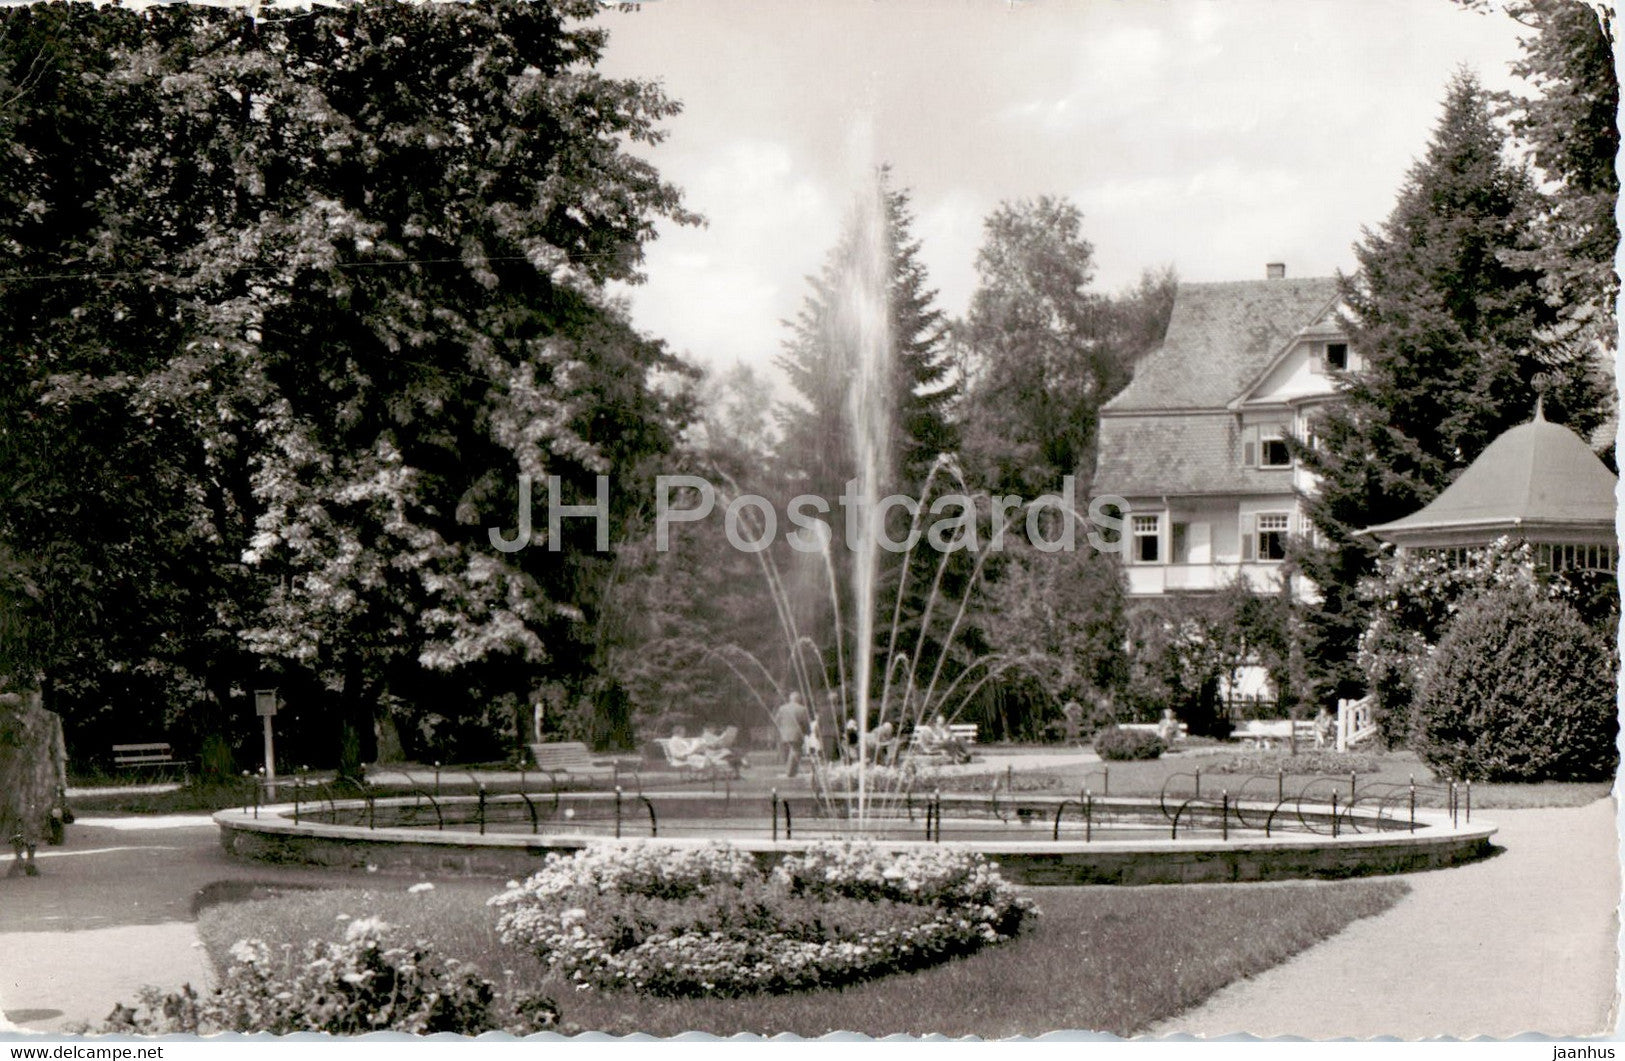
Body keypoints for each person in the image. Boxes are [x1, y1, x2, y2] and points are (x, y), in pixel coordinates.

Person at [0, 676, 68, 878]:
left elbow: (58, 750)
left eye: (33, 694)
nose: (29, 699)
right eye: (25, 695)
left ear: (40, 695)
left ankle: (31, 859)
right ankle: (18, 857)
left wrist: (62, 778)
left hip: (42, 776)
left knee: (36, 817)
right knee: (16, 815)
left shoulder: (51, 719)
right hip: (15, 774)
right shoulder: (10, 719)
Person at [772, 691, 811, 778]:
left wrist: (781, 729)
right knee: (796, 751)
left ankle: (790, 770)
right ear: (799, 699)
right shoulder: (802, 709)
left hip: (784, 733)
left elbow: (776, 720)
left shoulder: (782, 708)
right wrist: (808, 732)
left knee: (790, 752)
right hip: (796, 734)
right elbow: (805, 722)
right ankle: (790, 771)